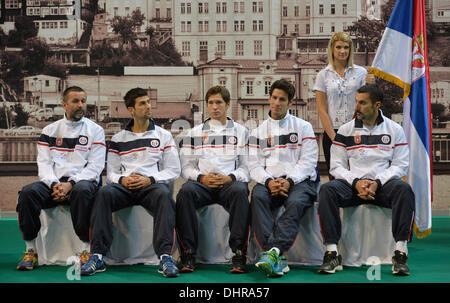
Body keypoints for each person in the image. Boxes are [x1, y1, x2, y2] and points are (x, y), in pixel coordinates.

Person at [81, 88, 181, 278]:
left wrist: (149, 179)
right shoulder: (119, 139)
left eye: (148, 102)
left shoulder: (163, 136)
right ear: (131, 110)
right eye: (142, 103)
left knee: (163, 195)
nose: (148, 106)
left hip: (151, 186)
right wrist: (123, 180)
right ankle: (97, 256)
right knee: (103, 193)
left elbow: (173, 170)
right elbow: (111, 173)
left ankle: (165, 258)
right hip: (124, 187)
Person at [317, 84, 415, 276]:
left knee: (404, 189)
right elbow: (336, 166)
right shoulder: (345, 131)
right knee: (327, 190)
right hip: (353, 187)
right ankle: (332, 252)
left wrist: (377, 182)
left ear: (377, 105)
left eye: (362, 103)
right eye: (356, 102)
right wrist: (356, 183)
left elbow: (400, 165)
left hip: (383, 187)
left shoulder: (395, 130)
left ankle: (400, 252)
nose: (357, 107)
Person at [16, 86, 106, 270]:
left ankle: (85, 249)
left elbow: (95, 167)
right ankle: (30, 251)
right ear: (64, 104)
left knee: (81, 191)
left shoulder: (95, 131)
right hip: (54, 183)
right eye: (75, 101)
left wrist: (70, 185)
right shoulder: (49, 130)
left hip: (83, 183)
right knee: (27, 193)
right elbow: (44, 165)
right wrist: (56, 184)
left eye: (83, 101)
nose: (81, 105)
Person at [176, 86, 250, 274]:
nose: (214, 107)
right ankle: (188, 253)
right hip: (202, 185)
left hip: (229, 184)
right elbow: (186, 168)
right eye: (210, 103)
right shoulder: (195, 132)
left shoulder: (241, 132)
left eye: (218, 102)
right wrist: (201, 177)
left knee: (241, 191)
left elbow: (247, 167)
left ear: (227, 104)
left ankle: (239, 253)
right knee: (185, 192)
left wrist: (230, 178)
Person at [248, 79, 319, 277]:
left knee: (296, 202)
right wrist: (269, 181)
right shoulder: (258, 131)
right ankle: (275, 256)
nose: (277, 103)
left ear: (290, 102)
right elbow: (253, 165)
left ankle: (273, 252)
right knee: (258, 197)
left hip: (299, 182)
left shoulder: (303, 127)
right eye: (274, 98)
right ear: (269, 98)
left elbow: (309, 160)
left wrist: (289, 180)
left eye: (282, 99)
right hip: (268, 181)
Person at [314, 32, 375, 178]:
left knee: (359, 176)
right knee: (336, 179)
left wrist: (371, 85)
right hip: (333, 132)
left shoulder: (361, 72)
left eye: (346, 47)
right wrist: (335, 138)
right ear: (332, 49)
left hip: (356, 131)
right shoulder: (323, 75)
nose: (343, 51)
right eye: (339, 47)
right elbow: (322, 110)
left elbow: (366, 103)